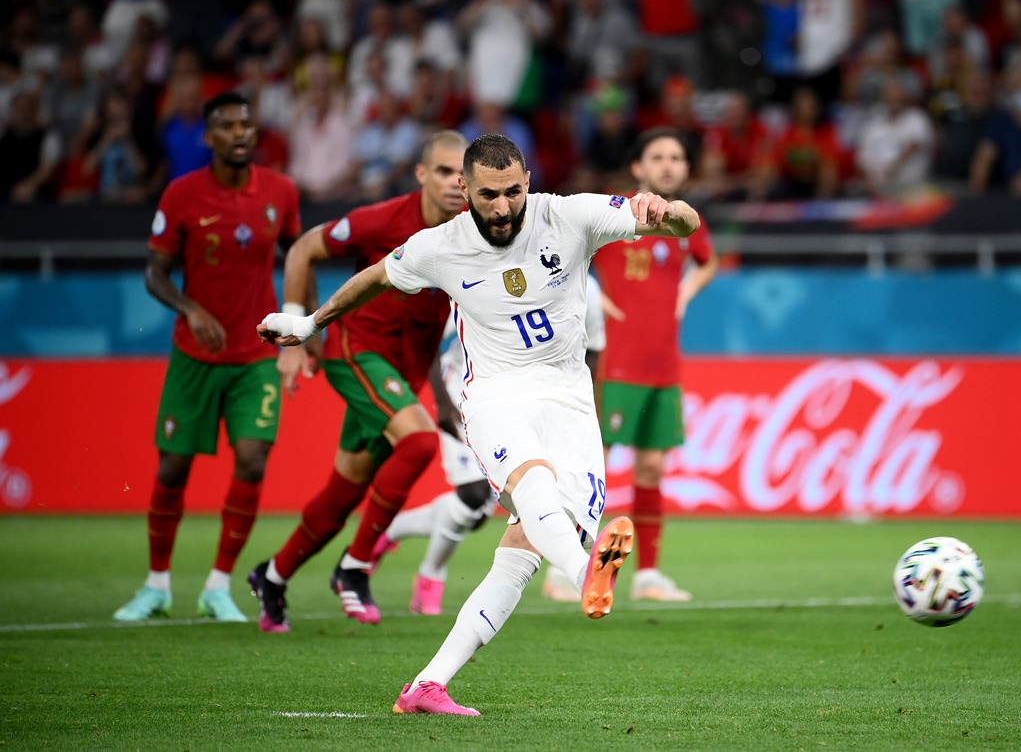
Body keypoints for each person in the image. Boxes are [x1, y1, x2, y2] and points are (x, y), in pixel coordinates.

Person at [258, 134, 699, 715]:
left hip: (570, 402)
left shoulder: (568, 214)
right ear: (464, 189)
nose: (503, 206)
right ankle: (584, 569)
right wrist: (311, 323)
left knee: (519, 555)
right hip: (496, 396)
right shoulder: (439, 246)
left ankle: (427, 685)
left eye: (514, 191)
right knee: (533, 482)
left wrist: (663, 209)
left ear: (528, 181)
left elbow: (686, 226)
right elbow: (372, 278)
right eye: (488, 194)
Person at [246, 130, 470, 633]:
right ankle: (355, 567)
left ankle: (273, 577)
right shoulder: (384, 220)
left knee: (343, 493)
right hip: (355, 351)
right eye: (442, 171)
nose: (455, 182)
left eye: (462, 172)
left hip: (402, 372)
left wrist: (436, 394)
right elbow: (304, 248)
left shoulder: (468, 231)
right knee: (417, 444)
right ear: (420, 174)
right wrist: (298, 332)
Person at [113, 91, 302, 623]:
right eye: (227, 125)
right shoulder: (182, 194)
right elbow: (155, 272)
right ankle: (156, 586)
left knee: (252, 459)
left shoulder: (280, 191)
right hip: (195, 355)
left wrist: (297, 324)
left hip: (256, 354)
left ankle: (218, 585)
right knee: (172, 469)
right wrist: (190, 308)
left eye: (246, 123)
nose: (240, 132)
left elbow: (297, 256)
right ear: (209, 136)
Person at [369, 273, 608, 615]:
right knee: (474, 495)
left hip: (537, 402)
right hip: (470, 393)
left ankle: (390, 530)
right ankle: (430, 578)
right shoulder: (496, 275)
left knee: (478, 510)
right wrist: (442, 402)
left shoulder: (589, 291)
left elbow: (593, 352)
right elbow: (433, 340)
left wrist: (583, 412)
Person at [546, 127, 716, 603]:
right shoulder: (617, 213)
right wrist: (590, 297)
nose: (668, 165)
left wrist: (685, 292)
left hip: (664, 365)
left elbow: (708, 260)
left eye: (677, 157)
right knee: (587, 465)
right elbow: (564, 255)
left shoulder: (684, 224)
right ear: (638, 167)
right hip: (614, 363)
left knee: (651, 468)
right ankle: (565, 568)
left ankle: (648, 576)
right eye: (657, 156)